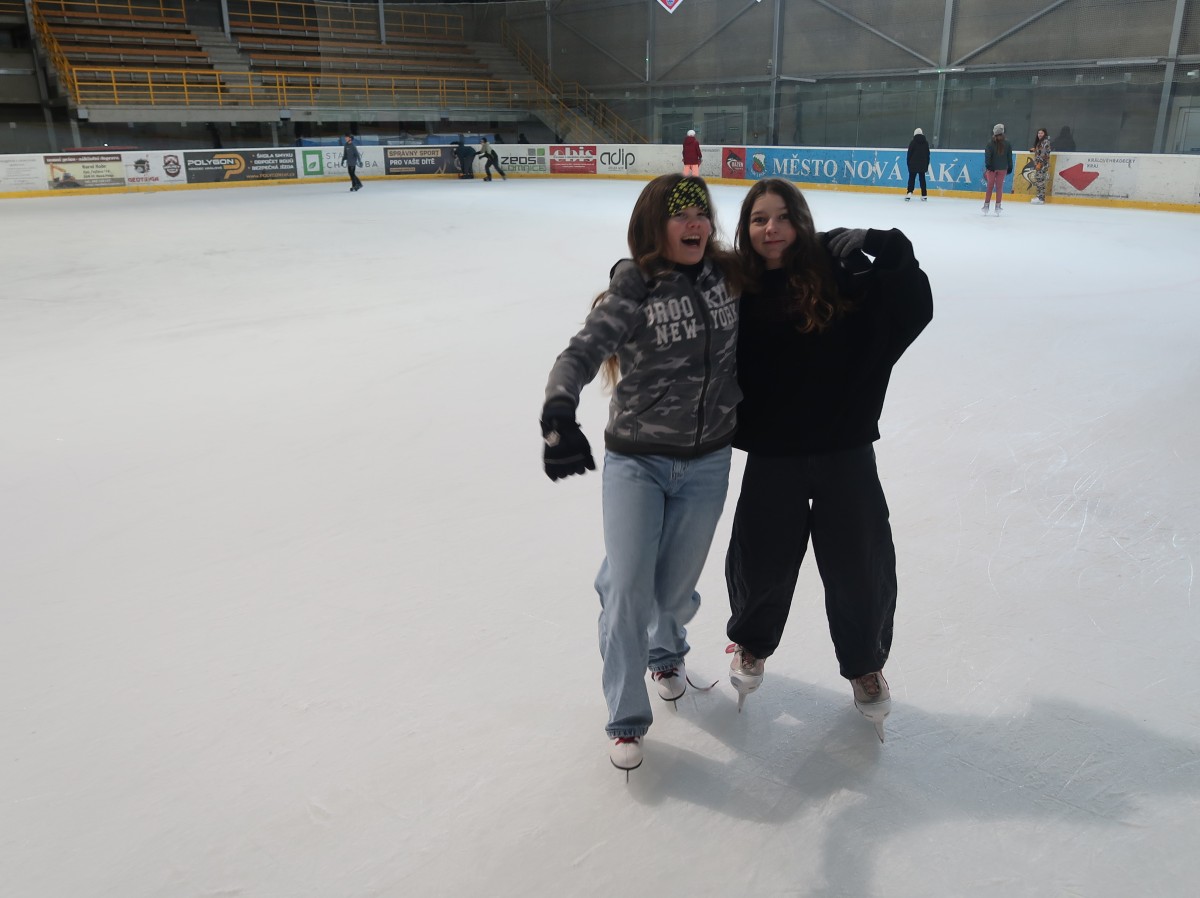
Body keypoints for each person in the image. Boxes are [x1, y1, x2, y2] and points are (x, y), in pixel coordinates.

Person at [541, 174, 740, 774]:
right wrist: (558, 412)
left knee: (671, 594)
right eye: (681, 215)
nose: (695, 223)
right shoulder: (634, 289)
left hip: (709, 461)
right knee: (631, 592)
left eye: (701, 212)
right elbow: (578, 354)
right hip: (638, 460)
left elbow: (785, 250)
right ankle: (626, 717)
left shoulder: (729, 277)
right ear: (656, 226)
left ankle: (663, 645)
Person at [723, 178, 932, 741]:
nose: (772, 229)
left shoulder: (838, 276)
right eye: (759, 219)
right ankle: (751, 643)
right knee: (760, 557)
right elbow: (675, 288)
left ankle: (865, 665)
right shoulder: (734, 288)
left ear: (802, 222)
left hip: (845, 451)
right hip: (774, 454)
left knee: (859, 562)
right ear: (746, 229)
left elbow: (911, 305)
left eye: (783, 217)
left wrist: (884, 244)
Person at [983, 123, 1012, 216]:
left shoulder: (991, 143)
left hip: (995, 168)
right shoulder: (1005, 143)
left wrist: (988, 165)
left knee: (991, 186)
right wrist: (1010, 166)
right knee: (997, 187)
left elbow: (988, 155)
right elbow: (1009, 156)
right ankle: (996, 205)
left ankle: (988, 205)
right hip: (1000, 168)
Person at [905, 127, 930, 201]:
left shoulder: (913, 142)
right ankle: (924, 195)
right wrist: (926, 165)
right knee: (922, 179)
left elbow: (909, 154)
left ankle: (909, 193)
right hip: (923, 164)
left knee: (911, 178)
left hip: (913, 164)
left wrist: (909, 164)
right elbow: (927, 155)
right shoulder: (926, 143)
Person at [1029, 127, 1052, 204]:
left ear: (1045, 134)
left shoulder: (1045, 142)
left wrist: (1040, 163)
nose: (1040, 134)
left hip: (1042, 164)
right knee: (1039, 179)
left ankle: (1041, 198)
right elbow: (1041, 150)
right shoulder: (1041, 142)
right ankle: (1039, 196)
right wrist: (1035, 149)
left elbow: (1044, 153)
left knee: (1040, 180)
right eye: (1039, 133)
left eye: (1041, 133)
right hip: (1039, 163)